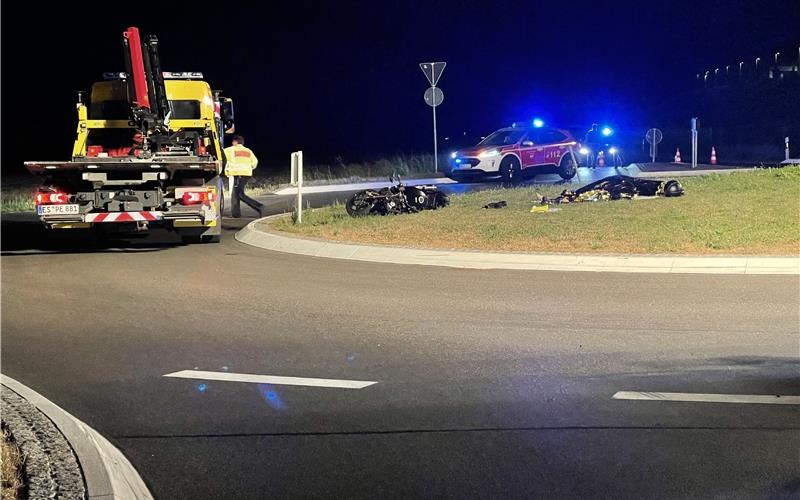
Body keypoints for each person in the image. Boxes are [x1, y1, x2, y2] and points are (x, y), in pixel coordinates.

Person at [224, 135, 264, 218]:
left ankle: (259, 206)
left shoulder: (230, 150)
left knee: (239, 194)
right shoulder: (248, 151)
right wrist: (249, 168)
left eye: (233, 142)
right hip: (246, 174)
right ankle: (236, 214)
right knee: (235, 193)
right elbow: (255, 162)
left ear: (235, 142)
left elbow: (221, 155)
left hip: (238, 174)